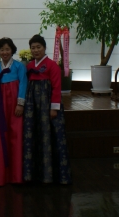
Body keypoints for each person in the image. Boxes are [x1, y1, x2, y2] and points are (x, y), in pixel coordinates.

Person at [23, 34, 71, 184]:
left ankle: (52, 175)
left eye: (38, 47)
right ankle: (34, 174)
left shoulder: (52, 65)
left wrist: (54, 108)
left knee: (50, 136)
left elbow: (56, 88)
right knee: (34, 135)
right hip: (32, 106)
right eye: (33, 48)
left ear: (44, 48)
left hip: (47, 105)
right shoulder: (29, 66)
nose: (36, 50)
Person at [0, 37, 27, 186]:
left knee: (16, 135)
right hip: (1, 105)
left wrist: (20, 104)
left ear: (12, 50)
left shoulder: (19, 67)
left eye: (7, 49)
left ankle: (16, 175)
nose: (5, 52)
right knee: (2, 136)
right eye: (2, 49)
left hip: (14, 104)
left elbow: (23, 84)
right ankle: (2, 176)